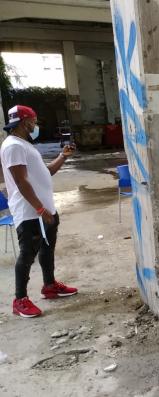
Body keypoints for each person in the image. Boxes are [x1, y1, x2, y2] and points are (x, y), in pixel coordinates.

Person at [1, 105, 78, 318]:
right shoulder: (13, 146)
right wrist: (40, 208)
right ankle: (20, 300)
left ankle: (49, 285)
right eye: (33, 120)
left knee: (46, 249)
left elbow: (46, 172)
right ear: (25, 122)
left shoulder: (24, 145)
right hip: (30, 213)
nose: (35, 125)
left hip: (44, 209)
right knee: (27, 254)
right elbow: (20, 182)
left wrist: (63, 156)